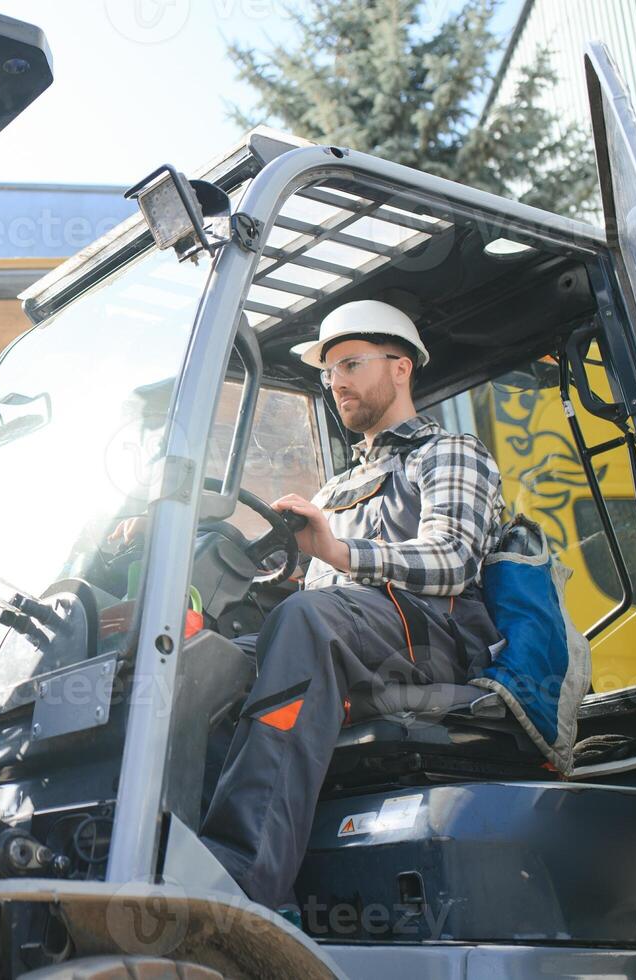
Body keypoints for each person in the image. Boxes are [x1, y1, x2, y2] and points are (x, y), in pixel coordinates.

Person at [196, 299, 506, 909]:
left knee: (308, 621)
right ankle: (173, 847)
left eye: (350, 364)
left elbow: (452, 560)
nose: (336, 380)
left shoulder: (449, 453)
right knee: (209, 661)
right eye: (328, 371)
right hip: (342, 633)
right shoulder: (336, 488)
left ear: (401, 367)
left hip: (429, 637)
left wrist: (339, 552)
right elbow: (304, 591)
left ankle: (241, 878)